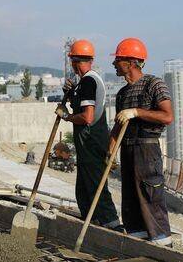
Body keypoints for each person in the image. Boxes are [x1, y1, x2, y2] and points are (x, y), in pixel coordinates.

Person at [110, 37, 174, 246]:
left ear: (130, 62)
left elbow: (167, 116)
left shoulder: (154, 84)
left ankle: (162, 243)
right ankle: (137, 239)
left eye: (117, 60)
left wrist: (136, 112)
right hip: (127, 148)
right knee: (129, 196)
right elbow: (118, 126)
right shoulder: (122, 94)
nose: (114, 64)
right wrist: (110, 153)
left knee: (150, 194)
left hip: (147, 149)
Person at [54, 39, 122, 231]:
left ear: (75, 62)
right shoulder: (86, 82)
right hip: (88, 143)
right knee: (83, 189)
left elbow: (87, 117)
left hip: (92, 142)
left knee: (95, 185)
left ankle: (112, 225)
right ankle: (91, 223)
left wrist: (66, 116)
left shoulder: (88, 82)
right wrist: (71, 92)